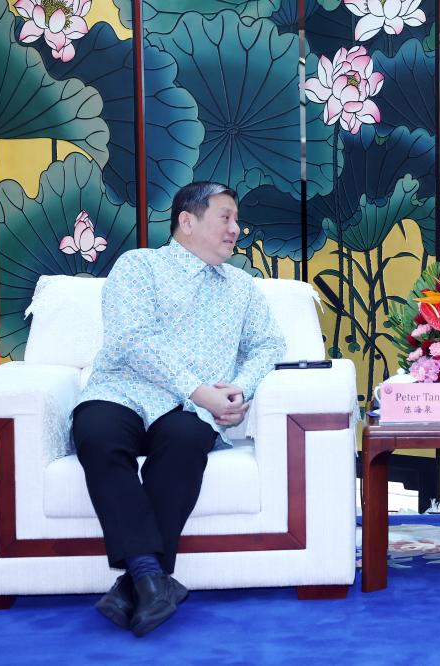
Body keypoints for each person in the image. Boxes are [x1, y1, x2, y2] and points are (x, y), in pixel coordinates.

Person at [71, 182, 286, 636]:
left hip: (186, 412)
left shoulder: (242, 287)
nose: (236, 228)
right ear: (187, 221)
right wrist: (200, 391)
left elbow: (269, 345)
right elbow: (132, 341)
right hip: (123, 390)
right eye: (225, 217)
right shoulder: (139, 266)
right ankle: (152, 576)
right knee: (97, 433)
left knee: (186, 441)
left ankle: (138, 581)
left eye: (236, 219)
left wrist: (239, 388)